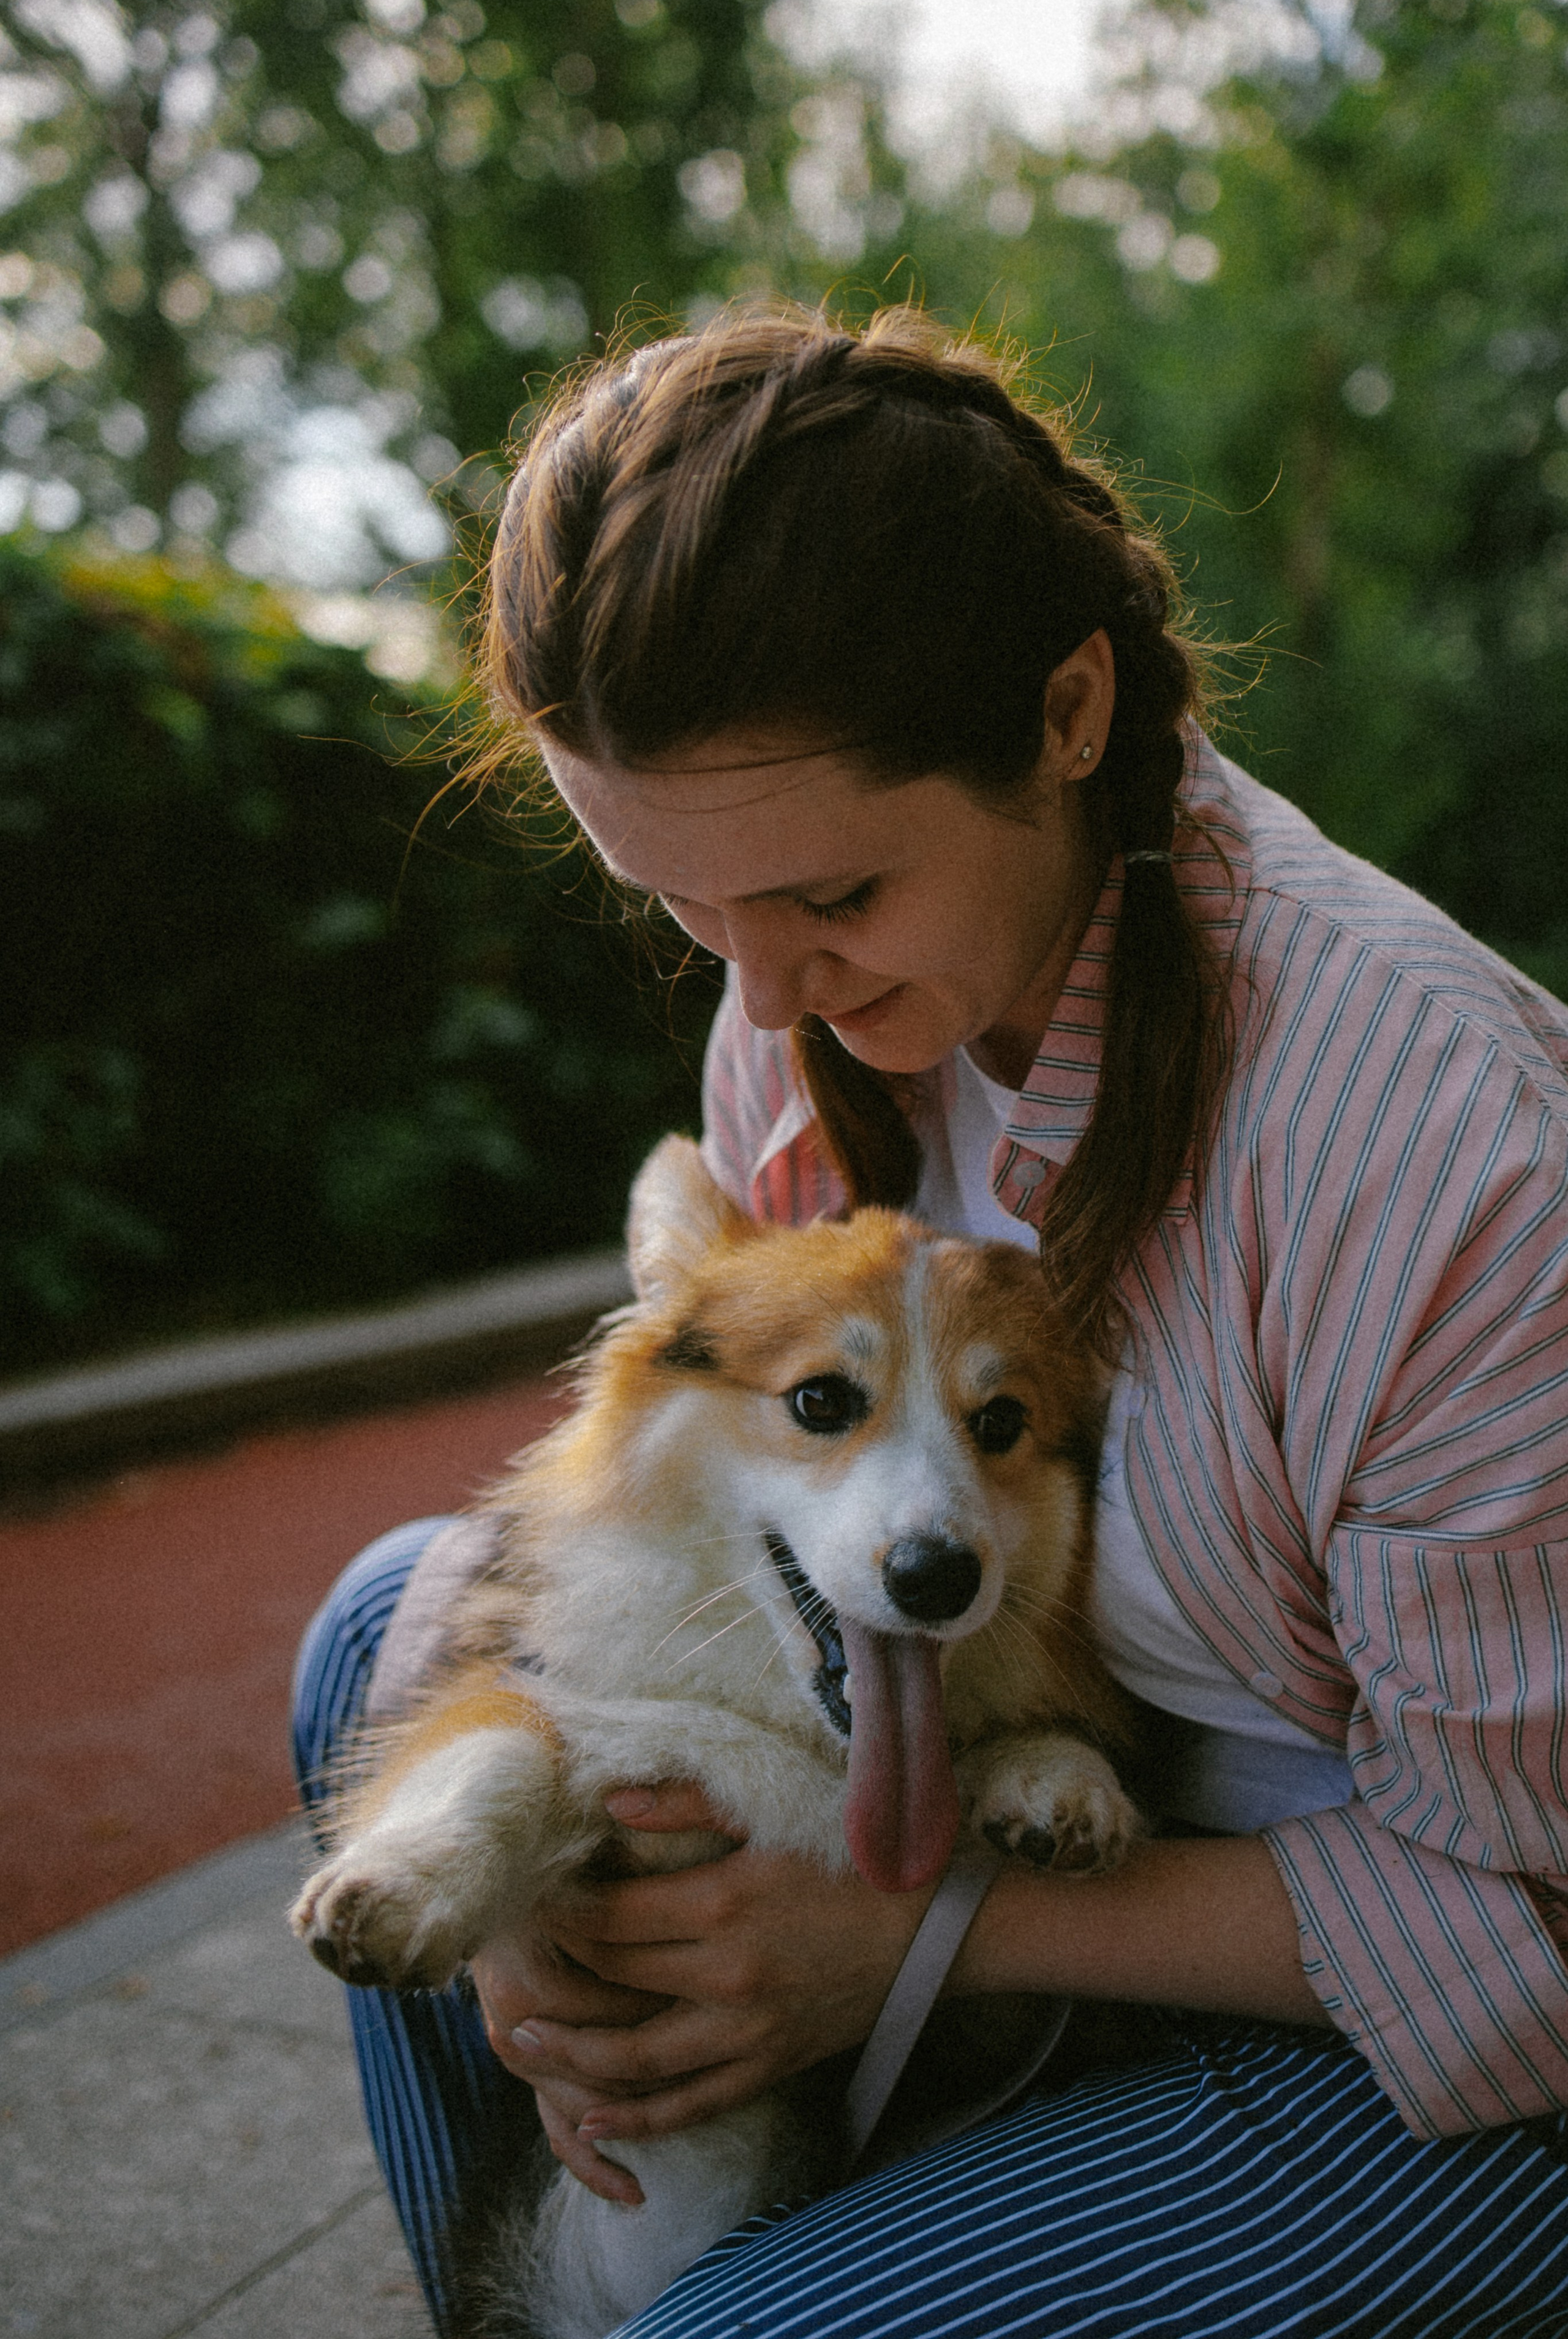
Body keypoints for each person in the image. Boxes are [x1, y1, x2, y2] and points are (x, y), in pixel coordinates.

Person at [293, 304, 1568, 2338]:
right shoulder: (795, 1002)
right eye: (689, 917)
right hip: (983, 1837)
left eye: (833, 900)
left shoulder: (1438, 1150)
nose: (766, 1004)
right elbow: (699, 1492)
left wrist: (909, 1942)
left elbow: (1537, 1922)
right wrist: (540, 1921)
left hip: (1416, 2052)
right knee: (381, 1628)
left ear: (1070, 711)